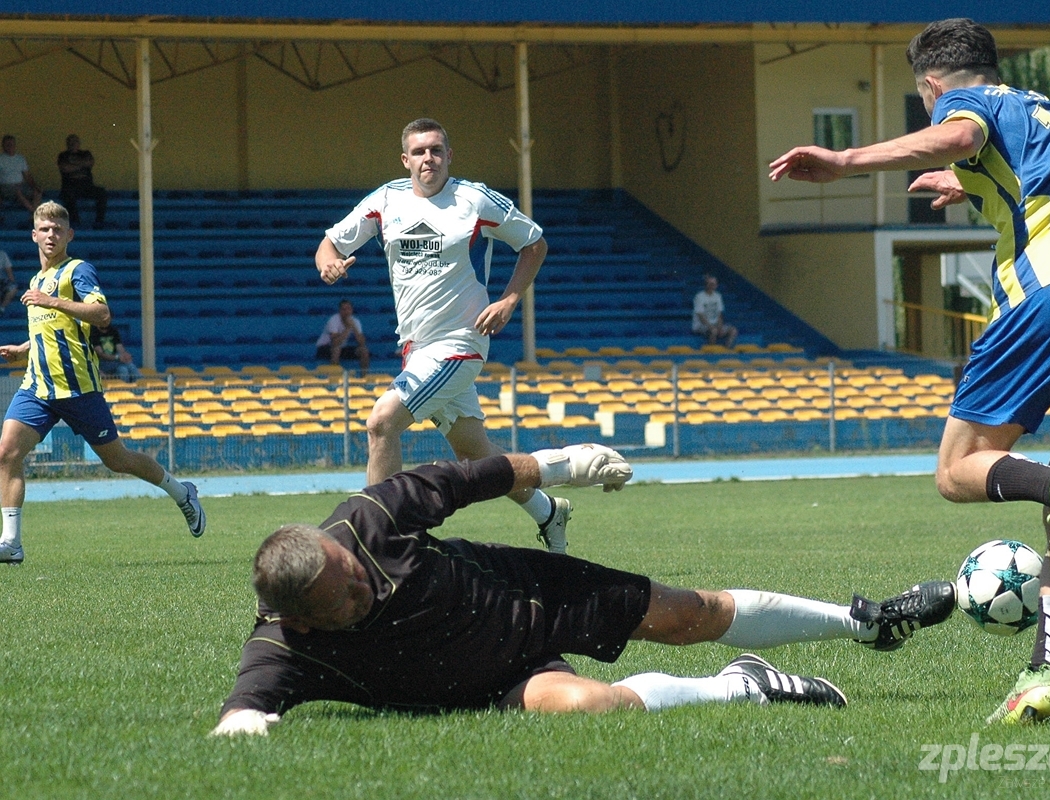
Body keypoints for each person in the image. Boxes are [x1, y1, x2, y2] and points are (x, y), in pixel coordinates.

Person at [769, 18, 1050, 725]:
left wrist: (846, 160)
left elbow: (961, 134)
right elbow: (1039, 177)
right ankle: (1040, 679)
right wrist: (969, 182)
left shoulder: (966, 104)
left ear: (931, 85)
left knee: (957, 471)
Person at [210, 445, 955, 736]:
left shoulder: (365, 520)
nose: (359, 579)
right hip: (499, 685)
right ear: (302, 622)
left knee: (691, 614)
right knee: (590, 706)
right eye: (344, 596)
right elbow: (243, 707)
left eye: (350, 567)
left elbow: (474, 477)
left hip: (531, 592)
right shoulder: (283, 650)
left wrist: (564, 465)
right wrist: (242, 724)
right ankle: (744, 687)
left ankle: (866, 622)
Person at [313, 118, 571, 554]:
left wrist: (509, 301)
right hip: (415, 349)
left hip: (460, 344)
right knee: (476, 455)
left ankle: (379, 543)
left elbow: (535, 244)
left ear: (449, 156)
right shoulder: (385, 200)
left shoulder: (474, 199)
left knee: (381, 423)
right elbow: (330, 244)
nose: (428, 158)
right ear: (405, 159)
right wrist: (329, 265)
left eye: (436, 150)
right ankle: (548, 510)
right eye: (419, 151)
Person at [0, 202, 206, 565]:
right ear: (34, 235)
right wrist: (24, 348)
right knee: (7, 452)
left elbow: (101, 314)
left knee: (118, 460)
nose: (51, 235)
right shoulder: (35, 282)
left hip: (79, 388)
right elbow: (54, 329)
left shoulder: (77, 270)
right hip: (38, 388)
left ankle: (181, 492)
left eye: (58, 229)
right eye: (44, 229)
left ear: (69, 235)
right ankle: (11, 542)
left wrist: (52, 300)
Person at [56, 134, 108, 230]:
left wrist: (74, 165)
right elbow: (65, 168)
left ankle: (99, 221)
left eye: (75, 141)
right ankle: (75, 222)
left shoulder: (86, 153)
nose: (73, 144)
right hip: (70, 187)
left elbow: (90, 162)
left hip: (87, 187)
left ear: (79, 143)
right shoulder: (63, 155)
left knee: (102, 193)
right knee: (68, 196)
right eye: (70, 142)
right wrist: (82, 165)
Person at [314, 298, 371, 374]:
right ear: (340, 311)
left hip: (342, 348)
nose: (346, 312)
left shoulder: (355, 321)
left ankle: (364, 376)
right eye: (344, 309)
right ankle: (335, 376)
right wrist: (348, 328)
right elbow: (335, 343)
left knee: (364, 351)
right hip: (324, 347)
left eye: (348, 309)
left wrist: (354, 328)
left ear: (352, 310)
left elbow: (362, 342)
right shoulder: (333, 320)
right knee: (336, 349)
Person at [0, 135, 42, 219]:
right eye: (7, 144)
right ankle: (35, 213)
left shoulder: (20, 159)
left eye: (11, 144)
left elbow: (27, 176)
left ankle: (32, 215)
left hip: (21, 185)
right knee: (18, 193)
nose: (10, 146)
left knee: (37, 192)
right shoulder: (1, 159)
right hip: (6, 187)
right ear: (3, 146)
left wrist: (35, 186)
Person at [692, 274, 737, 347]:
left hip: (715, 324)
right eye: (711, 284)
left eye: (714, 284)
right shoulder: (699, 297)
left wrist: (720, 326)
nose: (713, 286)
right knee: (714, 331)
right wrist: (711, 327)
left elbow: (719, 314)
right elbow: (700, 316)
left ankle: (727, 349)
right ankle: (712, 350)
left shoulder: (718, 296)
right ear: (706, 285)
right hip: (701, 325)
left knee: (733, 330)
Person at [0, 249, 17, 314]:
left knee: (13, 288)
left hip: (1, 281)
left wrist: (12, 282)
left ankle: (1, 308)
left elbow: (9, 272)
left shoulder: (2, 254)